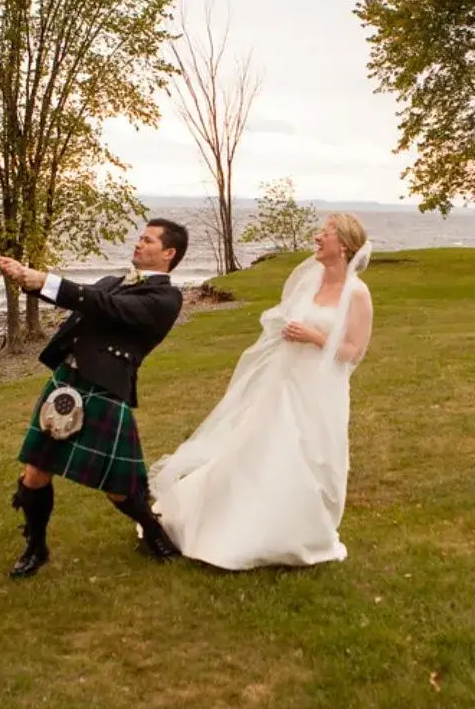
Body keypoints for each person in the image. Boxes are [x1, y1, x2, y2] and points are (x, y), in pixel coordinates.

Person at [147, 213, 374, 570]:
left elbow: (353, 351)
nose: (317, 237)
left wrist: (313, 337)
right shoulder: (311, 281)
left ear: (343, 244)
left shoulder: (357, 293)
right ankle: (237, 523)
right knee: (264, 450)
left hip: (321, 389)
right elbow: (286, 319)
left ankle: (300, 532)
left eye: (325, 233)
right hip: (284, 382)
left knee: (312, 458)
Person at [0, 219, 189, 579]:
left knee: (119, 488)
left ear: (168, 253)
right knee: (35, 472)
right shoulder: (114, 281)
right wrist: (25, 278)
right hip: (66, 381)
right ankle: (36, 547)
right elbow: (88, 298)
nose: (138, 243)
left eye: (147, 240)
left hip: (104, 389)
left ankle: (154, 533)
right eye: (139, 237)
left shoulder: (166, 299)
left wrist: (44, 279)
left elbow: (104, 306)